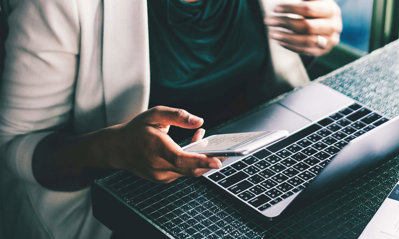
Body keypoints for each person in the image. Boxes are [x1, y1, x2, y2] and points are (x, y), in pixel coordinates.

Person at [0, 0, 342, 238]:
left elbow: (263, 70)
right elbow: (16, 146)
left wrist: (311, 38)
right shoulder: (55, 4)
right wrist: (114, 151)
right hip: (129, 206)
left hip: (251, 171)